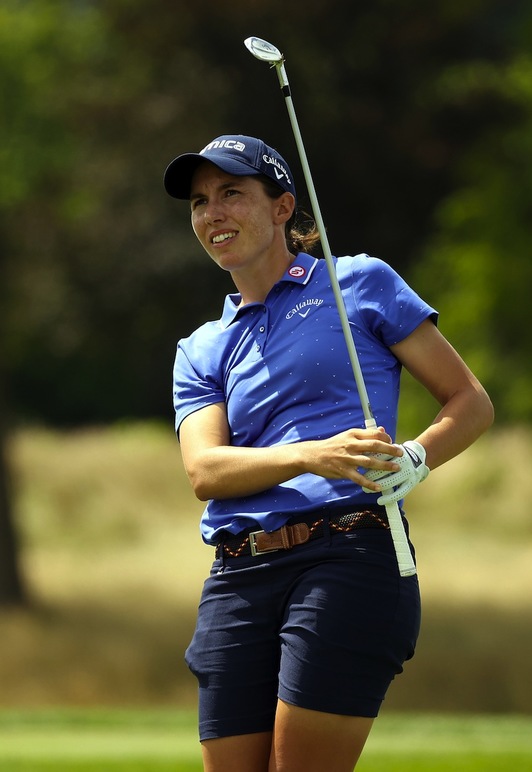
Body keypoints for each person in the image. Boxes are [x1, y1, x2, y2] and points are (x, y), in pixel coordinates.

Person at [163, 134, 494, 772]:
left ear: (284, 207)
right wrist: (313, 454)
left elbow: (469, 400)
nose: (213, 213)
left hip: (348, 554)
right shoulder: (201, 346)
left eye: (232, 192)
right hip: (237, 573)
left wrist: (416, 459)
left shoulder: (358, 284)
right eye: (200, 201)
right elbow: (206, 471)